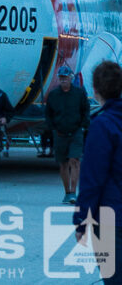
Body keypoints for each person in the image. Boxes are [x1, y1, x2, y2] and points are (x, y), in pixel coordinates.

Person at [73, 61, 122, 285]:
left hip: (112, 220)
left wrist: (82, 219)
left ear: (95, 89)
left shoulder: (102, 125)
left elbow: (92, 180)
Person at [45, 65, 90, 204]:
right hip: (59, 133)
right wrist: (53, 128)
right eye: (61, 78)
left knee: (74, 161)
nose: (63, 80)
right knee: (63, 163)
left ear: (71, 78)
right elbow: (48, 114)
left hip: (75, 132)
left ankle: (74, 192)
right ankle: (67, 192)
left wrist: (82, 126)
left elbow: (85, 110)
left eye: (66, 77)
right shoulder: (53, 95)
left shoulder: (79, 93)